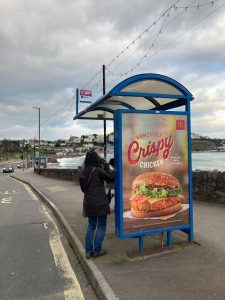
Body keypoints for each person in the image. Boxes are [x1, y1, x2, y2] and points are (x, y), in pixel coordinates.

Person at [79, 150, 114, 259]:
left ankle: (88, 252)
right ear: (96, 159)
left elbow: (83, 189)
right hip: (100, 202)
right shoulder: (98, 170)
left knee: (91, 225)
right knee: (101, 225)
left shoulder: (82, 172)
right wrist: (107, 166)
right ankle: (97, 250)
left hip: (88, 202)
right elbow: (111, 178)